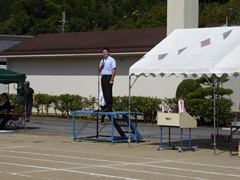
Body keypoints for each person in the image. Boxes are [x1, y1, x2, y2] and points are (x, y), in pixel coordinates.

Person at [99, 47, 116, 112]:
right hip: (103, 76)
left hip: (109, 76)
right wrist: (102, 66)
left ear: (108, 53)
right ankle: (106, 106)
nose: (104, 53)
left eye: (105, 52)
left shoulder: (111, 60)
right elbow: (100, 70)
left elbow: (114, 69)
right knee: (104, 92)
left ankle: (109, 106)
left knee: (108, 92)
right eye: (103, 52)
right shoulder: (102, 60)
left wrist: (112, 79)